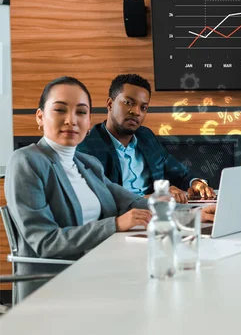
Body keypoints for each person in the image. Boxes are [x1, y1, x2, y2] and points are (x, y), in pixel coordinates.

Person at [4, 76, 154, 303]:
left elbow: (131, 202)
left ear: (89, 120)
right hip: (58, 286)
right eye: (60, 110)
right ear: (40, 117)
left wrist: (188, 214)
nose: (71, 120)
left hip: (101, 271)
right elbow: (46, 242)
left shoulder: (87, 164)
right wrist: (114, 225)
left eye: (81, 112)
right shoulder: (26, 161)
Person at [77, 74, 216, 203]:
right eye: (128, 103)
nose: (136, 112)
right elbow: (98, 200)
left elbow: (179, 172)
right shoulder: (87, 146)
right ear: (109, 104)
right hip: (121, 220)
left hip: (156, 215)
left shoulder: (146, 137)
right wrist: (149, 199)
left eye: (143, 107)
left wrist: (195, 182)